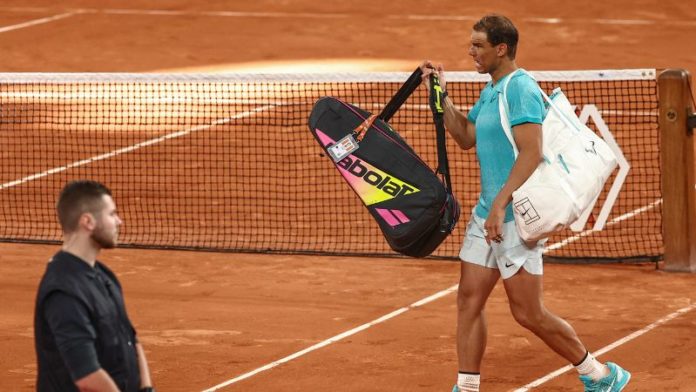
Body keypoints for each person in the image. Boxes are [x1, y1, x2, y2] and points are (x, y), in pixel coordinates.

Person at [420, 14, 631, 392]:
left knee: (528, 313)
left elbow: (532, 152)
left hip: (516, 217)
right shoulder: (492, 89)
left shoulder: (520, 89)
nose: (471, 52)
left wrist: (501, 205)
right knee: (469, 300)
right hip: (489, 214)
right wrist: (442, 95)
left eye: (478, 46)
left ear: (501, 49)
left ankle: (599, 373)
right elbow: (466, 137)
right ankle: (467, 387)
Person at [34, 180, 155, 392]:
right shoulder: (64, 292)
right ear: (87, 221)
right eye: (112, 214)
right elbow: (87, 377)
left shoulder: (104, 276)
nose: (119, 221)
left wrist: (146, 389)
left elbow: (131, 340)